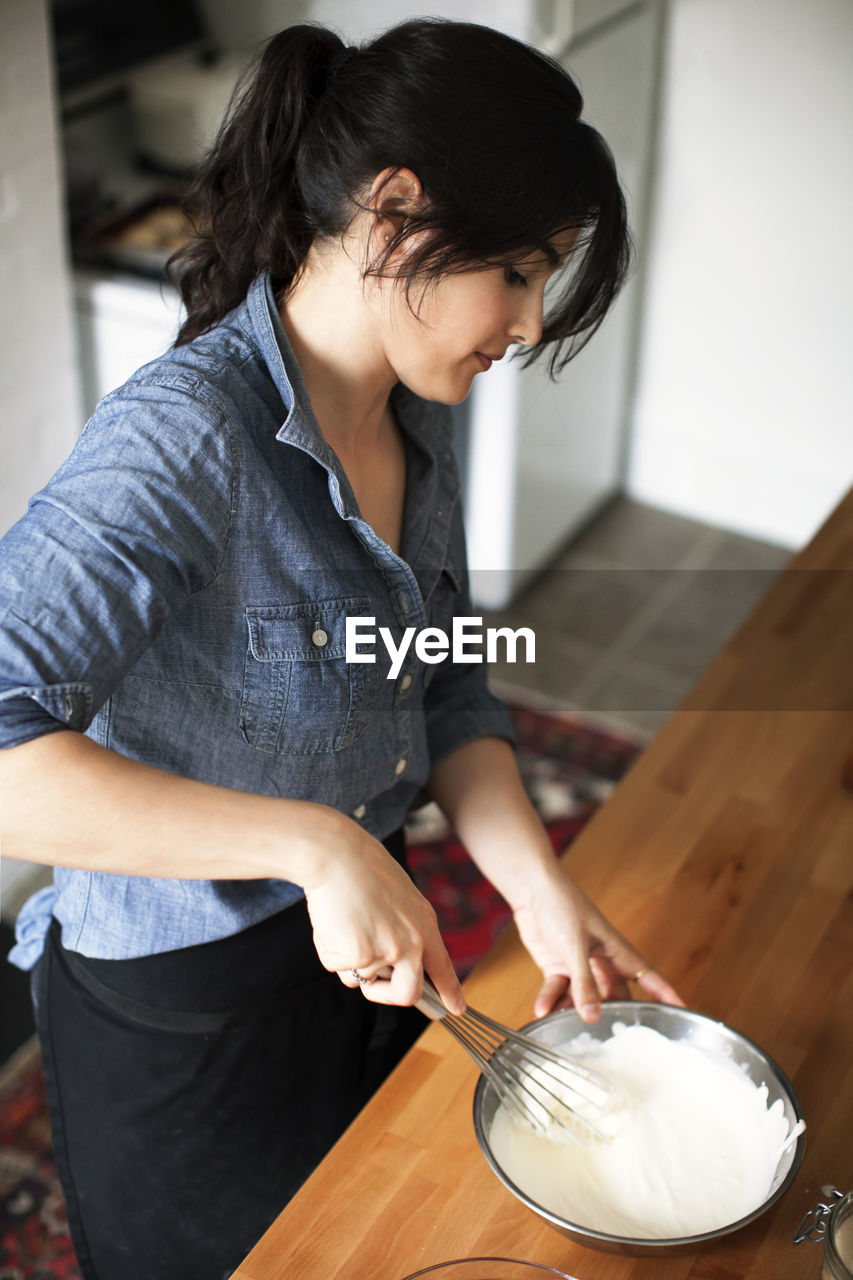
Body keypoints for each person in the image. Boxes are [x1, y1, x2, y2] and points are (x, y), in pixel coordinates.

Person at [0, 18, 682, 1280]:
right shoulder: (185, 438)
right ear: (394, 211)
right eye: (520, 273)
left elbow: (447, 688)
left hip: (361, 949)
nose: (529, 323)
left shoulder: (421, 411)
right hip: (179, 1015)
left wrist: (544, 897)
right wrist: (313, 842)